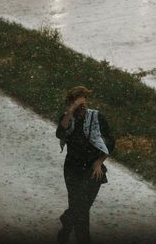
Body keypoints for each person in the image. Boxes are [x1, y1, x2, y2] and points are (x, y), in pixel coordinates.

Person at [55, 86, 115, 244]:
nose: (82, 109)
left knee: (81, 207)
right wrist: (72, 109)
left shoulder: (96, 117)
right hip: (72, 168)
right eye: (78, 105)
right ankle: (82, 237)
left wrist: (98, 162)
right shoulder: (67, 117)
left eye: (83, 104)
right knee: (80, 208)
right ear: (70, 103)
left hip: (93, 168)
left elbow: (110, 142)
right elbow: (60, 133)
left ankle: (67, 221)